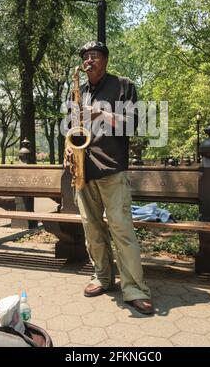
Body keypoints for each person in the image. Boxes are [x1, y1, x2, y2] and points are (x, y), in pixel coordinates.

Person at [66, 40, 154, 316]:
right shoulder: (78, 91)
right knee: (92, 231)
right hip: (84, 170)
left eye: (94, 55)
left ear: (105, 60)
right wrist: (69, 149)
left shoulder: (123, 85)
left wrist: (101, 113)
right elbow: (72, 127)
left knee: (122, 232)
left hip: (112, 169)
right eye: (85, 56)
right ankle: (102, 277)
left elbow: (135, 123)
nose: (89, 60)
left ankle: (135, 289)